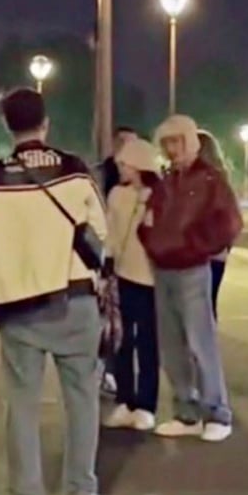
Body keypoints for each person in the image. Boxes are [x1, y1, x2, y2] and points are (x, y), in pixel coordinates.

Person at [0, 88, 107, 495]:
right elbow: (99, 234)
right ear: (45, 123)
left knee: (22, 404)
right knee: (82, 399)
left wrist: (8, 269)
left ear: (7, 125)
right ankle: (80, 494)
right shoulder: (76, 171)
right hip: (76, 299)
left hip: (18, 306)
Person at [138, 114, 243, 442]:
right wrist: (152, 242)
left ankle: (216, 411)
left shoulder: (209, 180)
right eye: (167, 143)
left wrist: (195, 246)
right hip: (164, 268)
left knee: (200, 342)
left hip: (191, 268)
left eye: (177, 141)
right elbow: (149, 219)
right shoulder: (167, 182)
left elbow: (229, 222)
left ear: (190, 142)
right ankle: (186, 411)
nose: (172, 149)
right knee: (172, 346)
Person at [103, 136, 161, 431]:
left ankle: (147, 405)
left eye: (124, 164)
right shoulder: (116, 194)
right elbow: (110, 234)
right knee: (121, 340)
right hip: (122, 276)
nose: (121, 168)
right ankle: (125, 400)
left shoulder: (159, 195)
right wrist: (106, 266)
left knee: (149, 342)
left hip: (152, 279)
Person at [98, 126, 138, 396]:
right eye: (124, 142)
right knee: (111, 322)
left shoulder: (143, 182)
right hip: (111, 260)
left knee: (126, 324)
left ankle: (119, 376)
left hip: (133, 263)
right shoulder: (105, 177)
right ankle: (108, 371)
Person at [197, 129, 233, 320]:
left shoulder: (196, 181)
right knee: (210, 302)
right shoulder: (222, 179)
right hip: (218, 252)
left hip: (197, 252)